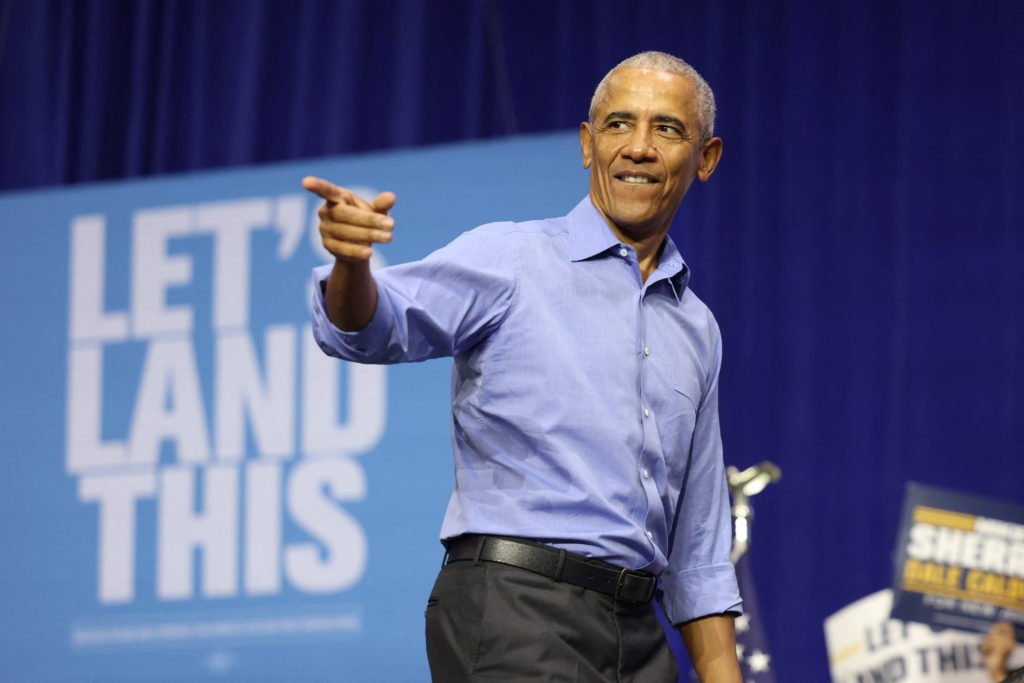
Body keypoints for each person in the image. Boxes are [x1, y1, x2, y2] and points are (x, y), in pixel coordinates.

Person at [305, 51, 743, 682]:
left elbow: (698, 549)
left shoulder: (697, 326)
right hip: (517, 608)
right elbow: (372, 328)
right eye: (618, 125)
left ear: (706, 157)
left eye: (667, 129)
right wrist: (352, 265)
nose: (639, 148)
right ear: (588, 145)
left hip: (639, 636)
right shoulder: (510, 259)